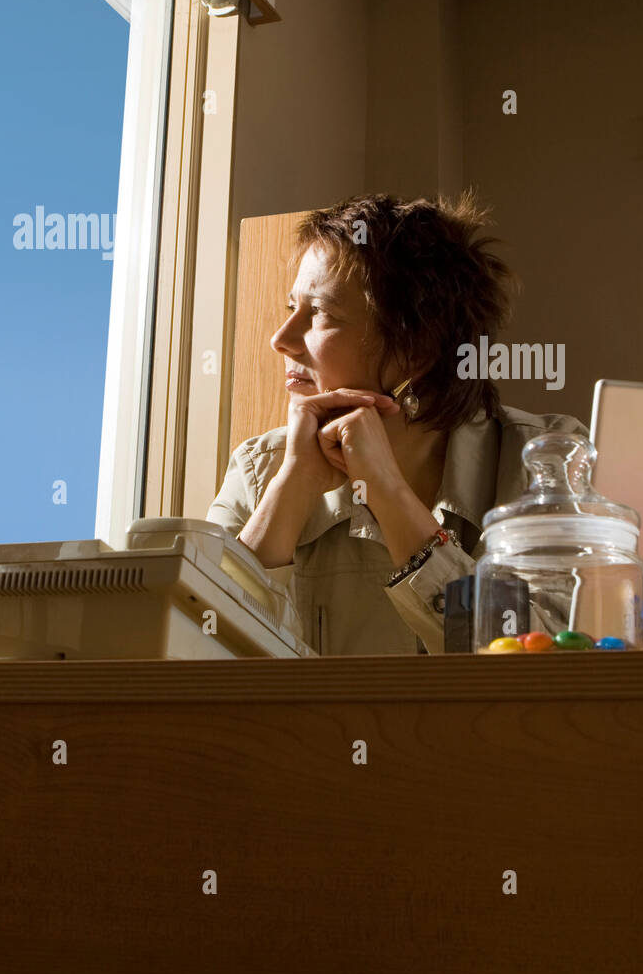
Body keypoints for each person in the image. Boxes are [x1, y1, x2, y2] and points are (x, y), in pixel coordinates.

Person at [206, 192, 588, 655]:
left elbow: (547, 662)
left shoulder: (544, 460)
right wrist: (291, 488)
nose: (280, 339)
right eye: (292, 309)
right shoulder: (259, 469)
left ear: (417, 348)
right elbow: (200, 652)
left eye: (321, 313)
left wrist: (387, 491)